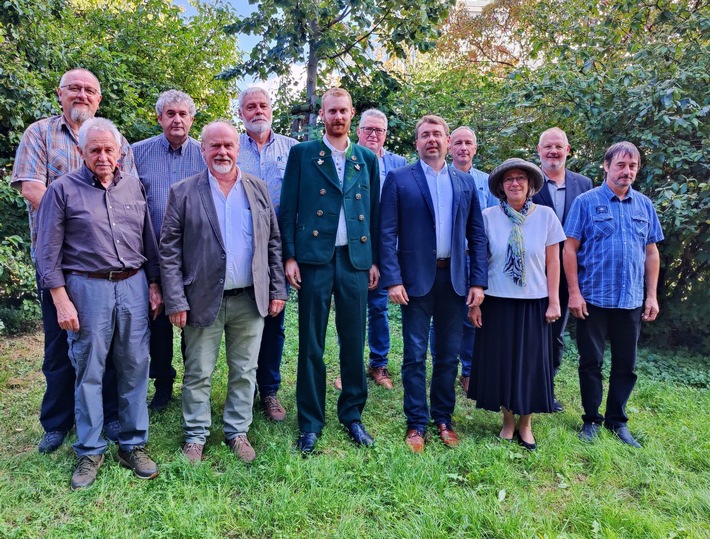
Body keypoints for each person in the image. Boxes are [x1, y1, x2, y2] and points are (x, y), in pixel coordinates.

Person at [11, 68, 135, 453]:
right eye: (74, 89)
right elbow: (32, 187)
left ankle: (110, 415)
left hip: (106, 264)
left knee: (108, 344)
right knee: (60, 346)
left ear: (98, 99)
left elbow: (122, 194)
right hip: (59, 263)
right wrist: (77, 211)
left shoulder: (116, 140)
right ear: (59, 94)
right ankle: (57, 421)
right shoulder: (39, 134)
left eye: (90, 90)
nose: (82, 95)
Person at [35, 118, 162, 490]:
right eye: (95, 150)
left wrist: (154, 284)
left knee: (136, 365)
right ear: (81, 152)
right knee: (89, 368)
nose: (103, 156)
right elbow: (47, 253)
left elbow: (148, 240)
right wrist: (60, 299)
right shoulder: (61, 191)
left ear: (121, 151)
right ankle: (90, 450)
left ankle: (133, 444)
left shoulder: (134, 186)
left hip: (134, 286)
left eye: (109, 149)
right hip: (87, 289)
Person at [160, 121, 287, 464]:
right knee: (198, 371)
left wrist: (277, 288)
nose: (222, 152)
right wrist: (175, 299)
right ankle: (195, 435)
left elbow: (272, 243)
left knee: (244, 371)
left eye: (228, 146)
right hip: (202, 299)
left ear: (238, 149)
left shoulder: (257, 189)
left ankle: (237, 431)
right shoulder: (183, 192)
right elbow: (169, 250)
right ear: (203, 150)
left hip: (249, 298)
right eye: (214, 146)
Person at [279, 88, 380, 454]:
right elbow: (287, 209)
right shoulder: (303, 154)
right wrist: (290, 256)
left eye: (343, 111)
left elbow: (376, 212)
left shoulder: (366, 159)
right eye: (331, 111)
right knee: (310, 341)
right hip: (314, 259)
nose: (338, 117)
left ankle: (352, 415)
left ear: (353, 114)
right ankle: (310, 421)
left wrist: (375, 260)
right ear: (321, 115)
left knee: (354, 341)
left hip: (354, 259)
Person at [379, 115, 487, 453]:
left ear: (447, 140)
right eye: (424, 135)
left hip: (454, 280)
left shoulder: (464, 181)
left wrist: (478, 282)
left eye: (437, 134)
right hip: (414, 282)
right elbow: (386, 234)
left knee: (448, 356)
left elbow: (477, 235)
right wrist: (393, 279)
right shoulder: (399, 179)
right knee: (413, 355)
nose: (432, 140)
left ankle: (443, 418)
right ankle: (416, 424)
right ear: (416, 143)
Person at [564, 141, 663, 448]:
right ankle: (591, 419)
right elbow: (569, 249)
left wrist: (652, 296)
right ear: (606, 166)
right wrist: (574, 293)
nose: (627, 171)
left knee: (626, 364)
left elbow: (651, 252)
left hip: (631, 300)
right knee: (590, 361)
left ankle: (617, 421)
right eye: (621, 165)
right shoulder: (586, 202)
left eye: (632, 166)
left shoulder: (644, 205)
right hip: (593, 298)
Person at [468, 158, 565, 451]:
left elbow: (553, 262)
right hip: (496, 301)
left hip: (534, 304)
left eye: (521, 178)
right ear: (500, 187)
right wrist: (475, 304)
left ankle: (526, 424)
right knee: (502, 364)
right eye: (508, 179)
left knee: (530, 366)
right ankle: (508, 421)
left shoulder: (546, 216)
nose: (515, 183)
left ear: (531, 184)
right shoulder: (487, 217)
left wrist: (554, 301)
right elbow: (479, 263)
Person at [132, 90, 206, 411]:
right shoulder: (137, 153)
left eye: (183, 114)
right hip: (155, 258)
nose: (177, 119)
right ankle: (163, 386)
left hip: (194, 260)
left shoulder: (205, 154)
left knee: (193, 326)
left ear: (191, 119)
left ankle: (193, 385)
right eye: (170, 113)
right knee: (158, 327)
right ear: (159, 118)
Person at [236, 87, 297, 421]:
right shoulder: (230, 147)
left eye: (262, 105)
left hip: (279, 250)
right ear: (241, 112)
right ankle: (243, 390)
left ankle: (270, 391)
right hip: (240, 247)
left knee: (274, 320)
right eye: (250, 106)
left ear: (271, 109)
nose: (257, 111)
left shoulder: (293, 150)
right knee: (243, 320)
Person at [430, 126, 497, 393]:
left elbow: (490, 225)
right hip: (447, 259)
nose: (463, 148)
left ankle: (469, 372)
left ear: (475, 148)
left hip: (473, 258)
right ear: (449, 145)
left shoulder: (487, 182)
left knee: (472, 316)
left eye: (468, 143)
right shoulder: (440, 178)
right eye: (457, 142)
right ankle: (441, 364)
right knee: (442, 316)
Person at [532, 127, 592, 412]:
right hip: (530, 271)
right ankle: (524, 385)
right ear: (539, 151)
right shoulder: (528, 181)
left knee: (555, 333)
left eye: (559, 147)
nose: (553, 152)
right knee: (528, 330)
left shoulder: (584, 184)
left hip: (567, 272)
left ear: (568, 150)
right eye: (548, 147)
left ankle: (547, 388)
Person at [354, 108, 407, 390]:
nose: (373, 134)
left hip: (385, 248)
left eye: (379, 130)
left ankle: (379, 365)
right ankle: (348, 366)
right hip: (351, 248)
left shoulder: (399, 165)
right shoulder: (348, 158)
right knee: (351, 309)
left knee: (378, 309)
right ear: (358, 131)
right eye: (368, 129)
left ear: (386, 134)